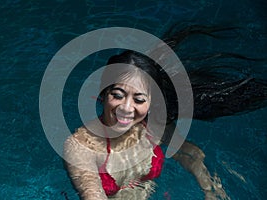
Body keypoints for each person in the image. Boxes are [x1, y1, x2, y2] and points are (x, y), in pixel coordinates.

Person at [63, 24, 267, 200]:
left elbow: (191, 154)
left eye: (139, 99)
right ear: (103, 93)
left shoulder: (153, 126)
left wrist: (211, 190)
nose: (126, 108)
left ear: (151, 102)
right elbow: (92, 194)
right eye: (117, 95)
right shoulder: (80, 147)